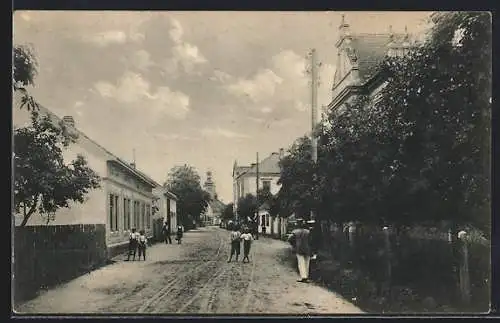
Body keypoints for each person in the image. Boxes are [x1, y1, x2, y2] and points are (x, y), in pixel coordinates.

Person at [288, 219, 312, 283]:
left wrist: (294, 245)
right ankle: (306, 277)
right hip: (307, 249)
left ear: (298, 224)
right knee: (307, 263)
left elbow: (289, 239)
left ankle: (303, 277)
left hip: (299, 249)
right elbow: (311, 240)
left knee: (301, 263)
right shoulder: (308, 231)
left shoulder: (295, 232)